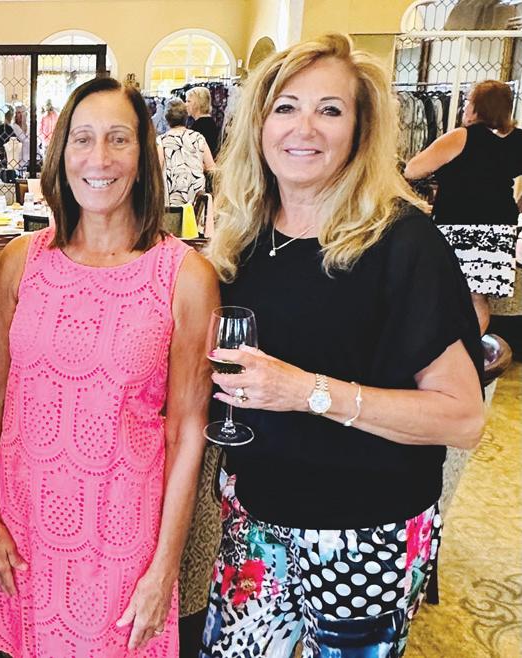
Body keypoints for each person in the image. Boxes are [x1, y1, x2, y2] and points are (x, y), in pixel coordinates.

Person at [201, 34, 485, 657]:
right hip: (254, 519)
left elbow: (463, 418)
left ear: (359, 130)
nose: (304, 128)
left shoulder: (402, 243)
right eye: (285, 107)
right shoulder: (244, 235)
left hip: (366, 531)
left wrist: (308, 392)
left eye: (329, 109)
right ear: (259, 125)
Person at [0, 75, 219, 657]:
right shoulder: (21, 260)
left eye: (119, 139)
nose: (99, 158)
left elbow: (187, 429)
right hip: (22, 520)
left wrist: (165, 565)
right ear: (61, 154)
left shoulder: (185, 276)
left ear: (143, 155)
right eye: (82, 139)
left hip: (122, 530)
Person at [404, 80, 522, 334]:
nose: (464, 106)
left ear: (478, 107)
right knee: (478, 298)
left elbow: (413, 170)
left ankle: (441, 346)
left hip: (457, 224)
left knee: (443, 291)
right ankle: (470, 348)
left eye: (468, 101)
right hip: (500, 229)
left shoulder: (461, 136)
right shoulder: (519, 140)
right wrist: (517, 207)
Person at [158, 98, 215, 205]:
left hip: (172, 200)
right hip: (197, 198)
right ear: (186, 116)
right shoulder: (198, 138)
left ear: (166, 118)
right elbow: (211, 167)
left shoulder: (161, 141)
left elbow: (156, 169)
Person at [185, 87, 219, 157]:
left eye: (189, 101)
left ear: (198, 103)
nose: (185, 104)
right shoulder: (208, 122)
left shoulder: (200, 126)